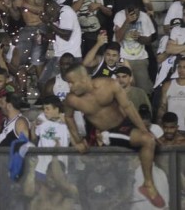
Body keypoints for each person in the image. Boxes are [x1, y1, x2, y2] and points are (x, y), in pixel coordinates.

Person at [62, 64, 166, 208]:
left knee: (148, 139)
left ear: (83, 79)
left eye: (71, 82)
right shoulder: (72, 99)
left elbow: (128, 106)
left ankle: (148, 185)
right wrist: (78, 140)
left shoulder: (109, 85)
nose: (70, 87)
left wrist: (144, 130)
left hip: (124, 127)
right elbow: (68, 117)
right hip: (103, 134)